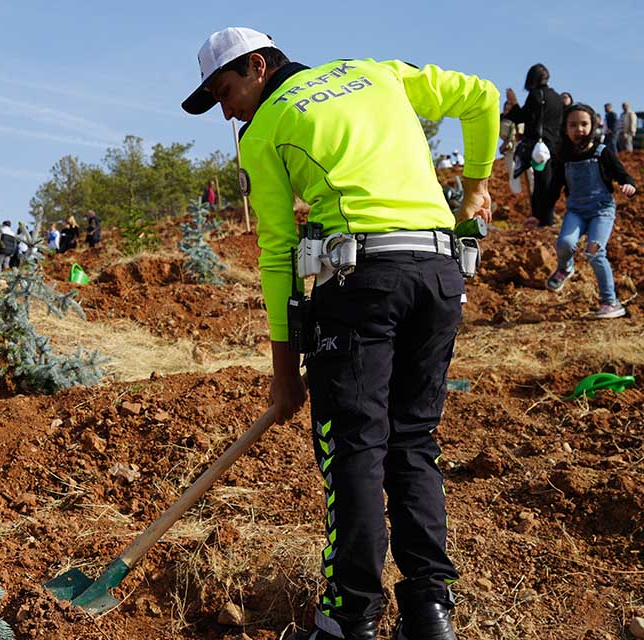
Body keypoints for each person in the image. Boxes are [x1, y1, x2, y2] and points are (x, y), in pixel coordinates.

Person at [182, 27, 497, 640]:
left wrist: (282, 374)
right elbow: (483, 96)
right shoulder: (375, 71)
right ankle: (430, 614)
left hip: (360, 282)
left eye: (225, 91)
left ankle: (349, 619)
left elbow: (277, 252)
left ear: (256, 66)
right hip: (439, 275)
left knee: (354, 448)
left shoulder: (266, 128)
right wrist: (478, 186)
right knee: (412, 441)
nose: (227, 110)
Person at [545, 104, 637, 318]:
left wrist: (628, 185)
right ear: (565, 128)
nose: (579, 129)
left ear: (593, 126)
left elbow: (622, 174)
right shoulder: (563, 157)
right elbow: (553, 189)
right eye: (573, 125)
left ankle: (610, 302)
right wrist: (540, 213)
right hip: (576, 211)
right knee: (565, 244)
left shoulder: (601, 152)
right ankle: (565, 268)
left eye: (584, 124)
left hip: (601, 211)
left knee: (594, 251)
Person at [503, 64, 564, 228]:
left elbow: (521, 117)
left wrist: (513, 103)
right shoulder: (557, 98)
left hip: (539, 148)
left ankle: (541, 219)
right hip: (554, 145)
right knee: (549, 181)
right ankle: (546, 218)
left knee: (540, 182)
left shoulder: (536, 95)